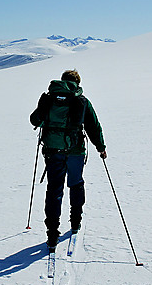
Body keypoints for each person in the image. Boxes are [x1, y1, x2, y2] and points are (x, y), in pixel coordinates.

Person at [30, 69, 106, 253]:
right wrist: (101, 147)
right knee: (76, 184)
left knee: (54, 189)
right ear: (77, 84)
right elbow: (93, 126)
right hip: (75, 151)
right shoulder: (82, 101)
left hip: (52, 151)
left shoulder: (50, 99)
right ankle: (76, 222)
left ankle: (52, 233)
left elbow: (35, 120)